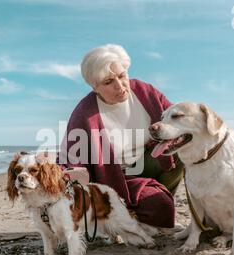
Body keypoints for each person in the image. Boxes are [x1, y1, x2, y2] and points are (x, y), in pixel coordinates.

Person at [58, 44, 184, 228]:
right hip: (115, 176)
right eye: (108, 82)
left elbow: (177, 120)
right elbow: (70, 160)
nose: (120, 86)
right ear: (95, 87)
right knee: (159, 206)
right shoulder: (84, 114)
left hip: (145, 160)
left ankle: (158, 195)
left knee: (180, 151)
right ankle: (131, 210)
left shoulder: (144, 91)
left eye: (122, 75)